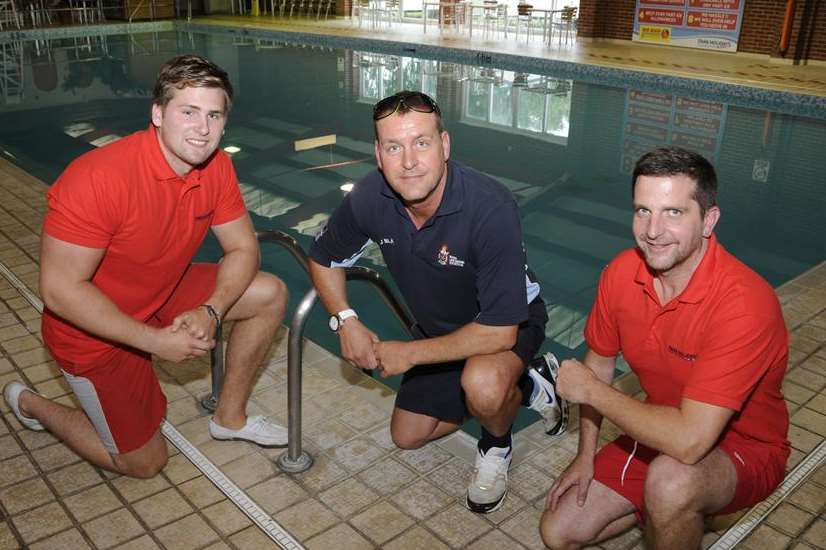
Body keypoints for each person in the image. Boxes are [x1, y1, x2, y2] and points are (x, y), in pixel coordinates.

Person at [2, 55, 289, 479]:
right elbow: (61, 290)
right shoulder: (98, 179)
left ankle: (230, 419)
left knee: (270, 293)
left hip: (162, 291)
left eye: (214, 115)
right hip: (93, 334)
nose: (203, 129)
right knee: (145, 463)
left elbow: (244, 249)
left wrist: (212, 308)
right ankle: (31, 404)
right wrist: (154, 342)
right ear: (158, 114)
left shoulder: (217, 167)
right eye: (188, 112)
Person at [308, 90, 569, 514]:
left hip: (505, 326)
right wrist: (346, 320)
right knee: (408, 435)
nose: (409, 161)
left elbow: (500, 330)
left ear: (444, 145)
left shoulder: (490, 206)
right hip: (440, 331)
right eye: (394, 146)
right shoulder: (371, 197)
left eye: (421, 143)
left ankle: (496, 445)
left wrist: (411, 354)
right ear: (378, 153)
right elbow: (322, 258)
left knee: (483, 384)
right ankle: (528, 384)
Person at [540, 147, 789, 549]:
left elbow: (688, 441)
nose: (652, 230)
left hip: (745, 447)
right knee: (558, 532)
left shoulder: (745, 304)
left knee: (671, 482)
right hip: (664, 424)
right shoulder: (621, 273)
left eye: (673, 212)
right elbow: (599, 366)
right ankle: (666, 511)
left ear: (708, 220)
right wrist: (585, 455)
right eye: (643, 210)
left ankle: (676, 505)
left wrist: (592, 392)